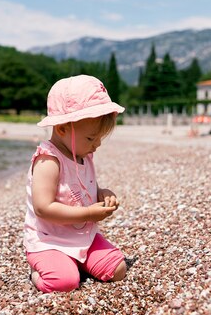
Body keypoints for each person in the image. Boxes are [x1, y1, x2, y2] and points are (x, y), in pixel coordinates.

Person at [23, 75, 127, 293]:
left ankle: (77, 261)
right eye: (91, 138)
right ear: (62, 128)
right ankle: (38, 272)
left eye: (99, 138)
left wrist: (102, 193)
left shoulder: (82, 154)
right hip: (49, 241)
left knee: (118, 269)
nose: (97, 144)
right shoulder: (48, 161)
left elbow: (83, 188)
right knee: (64, 283)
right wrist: (88, 213)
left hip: (82, 237)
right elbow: (43, 208)